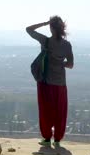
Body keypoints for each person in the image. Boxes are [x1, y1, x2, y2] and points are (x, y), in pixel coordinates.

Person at [26, 16, 74, 148]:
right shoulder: (67, 45)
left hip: (45, 81)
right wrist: (59, 63)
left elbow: (28, 29)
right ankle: (57, 140)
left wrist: (44, 23)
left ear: (51, 28)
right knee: (60, 110)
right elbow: (70, 64)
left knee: (46, 110)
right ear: (62, 28)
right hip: (60, 83)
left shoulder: (45, 41)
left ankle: (47, 138)